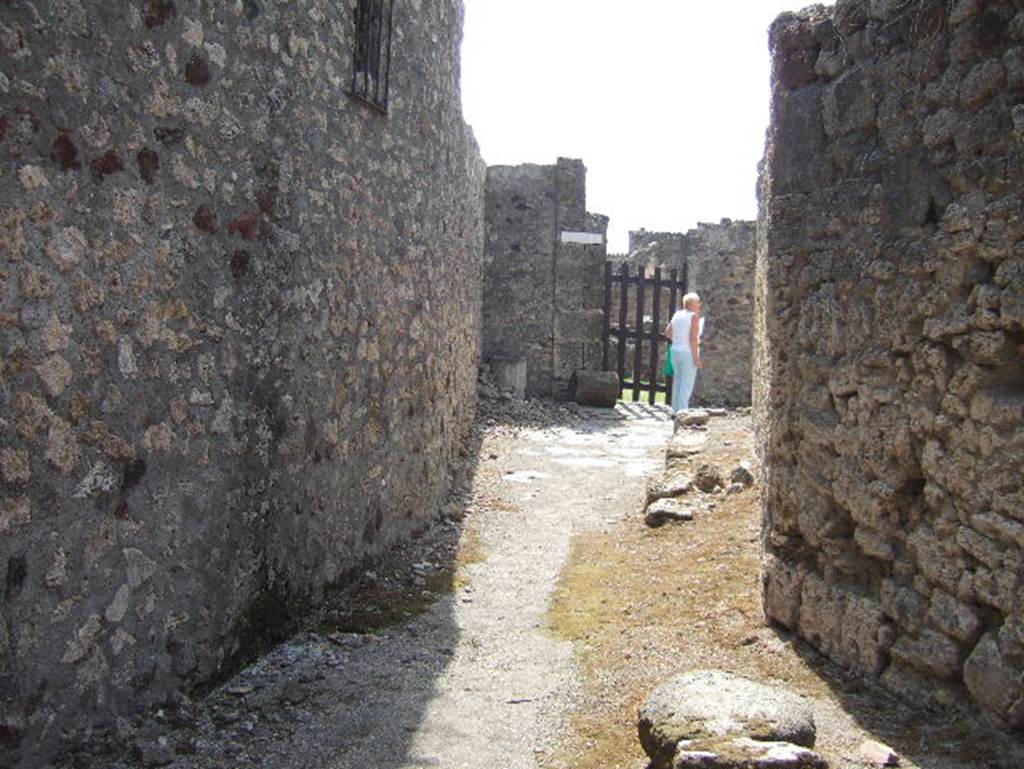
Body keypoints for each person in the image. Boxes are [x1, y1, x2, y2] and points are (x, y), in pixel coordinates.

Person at [665, 292, 703, 414]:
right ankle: (682, 412)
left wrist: (678, 340)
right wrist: (696, 358)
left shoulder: (677, 314)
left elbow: (668, 333)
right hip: (687, 352)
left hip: (675, 350)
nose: (699, 305)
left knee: (677, 380)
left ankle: (674, 410)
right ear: (693, 304)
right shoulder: (694, 317)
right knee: (686, 383)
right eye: (698, 303)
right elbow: (693, 339)